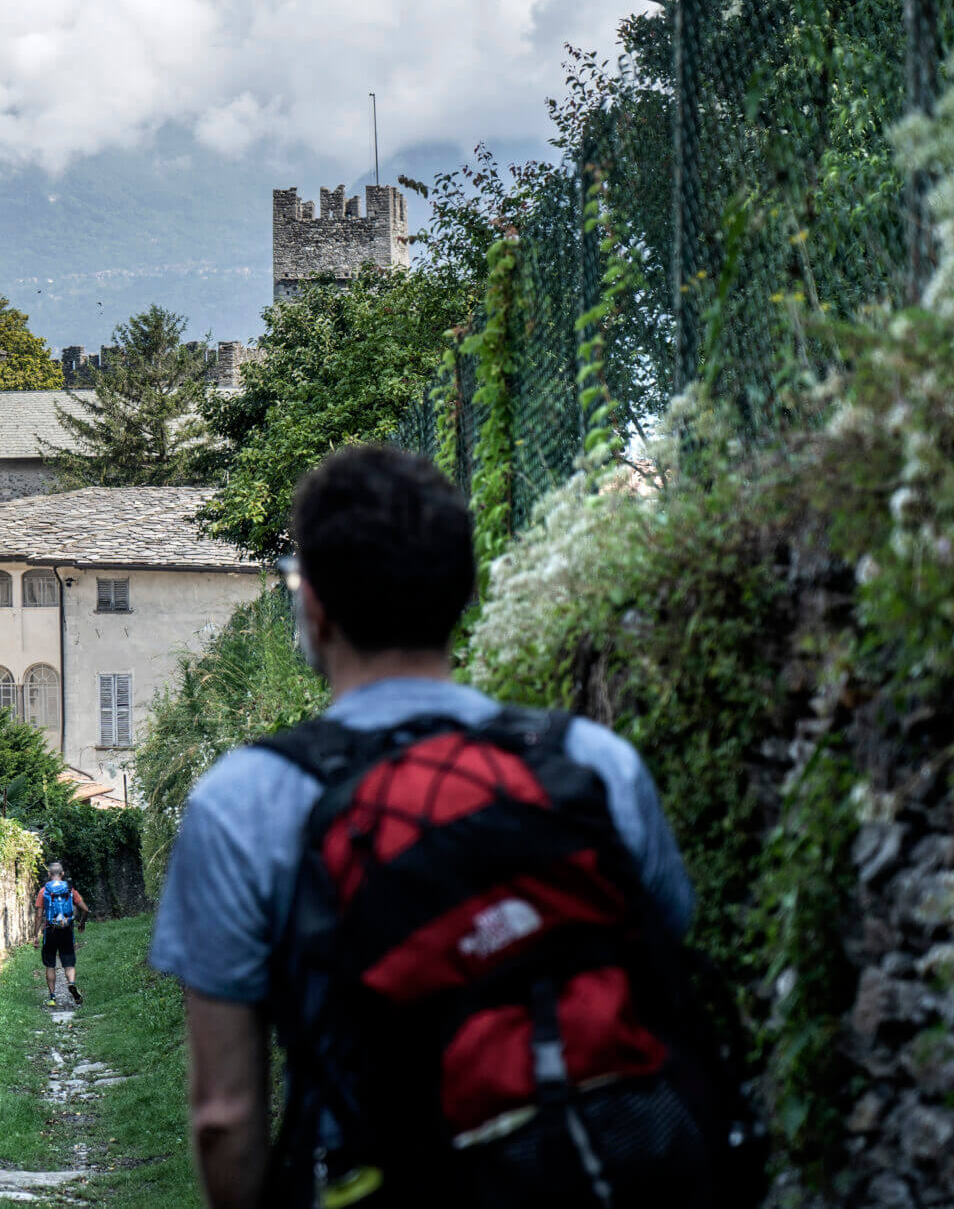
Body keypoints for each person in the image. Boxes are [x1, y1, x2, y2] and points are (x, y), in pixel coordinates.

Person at [148, 445, 702, 1209]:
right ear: (467, 591)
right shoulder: (591, 762)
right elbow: (668, 958)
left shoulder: (244, 802)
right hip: (617, 1171)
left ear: (313, 609)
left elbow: (224, 1116)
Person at [36, 861, 91, 1006]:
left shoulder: (44, 891)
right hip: (66, 931)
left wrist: (35, 935)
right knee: (69, 963)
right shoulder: (70, 890)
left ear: (49, 874)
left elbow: (38, 915)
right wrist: (82, 923)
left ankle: (52, 998)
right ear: (62, 874)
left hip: (50, 931)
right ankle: (71, 983)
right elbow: (85, 909)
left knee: (50, 965)